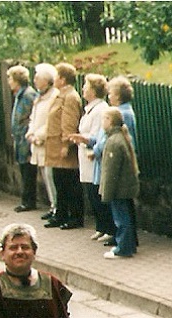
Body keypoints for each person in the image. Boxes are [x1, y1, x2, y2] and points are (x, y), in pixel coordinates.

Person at [68, 73, 111, 239]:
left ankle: (108, 228)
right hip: (84, 156)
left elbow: (97, 135)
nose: (83, 89)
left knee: (98, 194)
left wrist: (82, 139)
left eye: (86, 86)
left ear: (94, 90)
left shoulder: (101, 109)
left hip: (93, 157)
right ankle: (101, 227)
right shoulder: (89, 109)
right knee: (91, 194)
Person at [44, 62, 83, 230]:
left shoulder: (70, 97)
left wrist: (66, 143)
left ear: (63, 78)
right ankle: (60, 214)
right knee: (59, 181)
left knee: (69, 183)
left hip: (62, 145)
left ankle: (74, 216)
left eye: (57, 76)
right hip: (54, 144)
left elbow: (69, 121)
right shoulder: (60, 95)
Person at [98, 107, 138, 259]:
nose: (102, 122)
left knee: (121, 219)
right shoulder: (119, 137)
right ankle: (128, 246)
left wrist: (106, 193)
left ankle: (123, 248)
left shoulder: (113, 141)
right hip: (124, 186)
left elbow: (110, 171)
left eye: (104, 119)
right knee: (125, 217)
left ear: (109, 121)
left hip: (118, 188)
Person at [27, 63, 57, 220]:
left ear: (47, 80)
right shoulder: (39, 97)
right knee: (45, 175)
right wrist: (30, 132)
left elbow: (51, 121)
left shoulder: (54, 96)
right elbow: (34, 117)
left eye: (38, 77)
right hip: (37, 143)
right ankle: (53, 206)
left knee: (51, 175)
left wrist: (38, 136)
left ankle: (57, 206)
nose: (35, 80)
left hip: (47, 143)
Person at [6, 65, 38, 212]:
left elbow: (28, 117)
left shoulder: (27, 95)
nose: (8, 81)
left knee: (28, 170)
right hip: (19, 138)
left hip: (25, 137)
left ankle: (29, 201)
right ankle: (26, 200)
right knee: (24, 169)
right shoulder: (19, 94)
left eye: (10, 78)